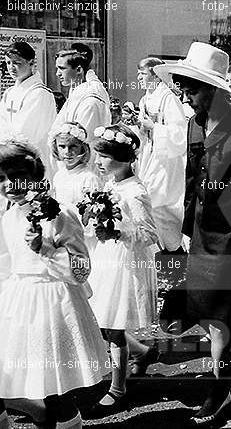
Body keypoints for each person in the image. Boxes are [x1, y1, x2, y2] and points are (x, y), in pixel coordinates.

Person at [153, 42, 231, 426]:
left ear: (214, 87)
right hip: (202, 233)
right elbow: (192, 180)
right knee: (206, 313)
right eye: (183, 88)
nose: (186, 95)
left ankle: (221, 385)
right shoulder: (193, 123)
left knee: (216, 315)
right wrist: (187, 229)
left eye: (192, 88)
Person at [0, 138, 106, 429]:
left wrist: (45, 248)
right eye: (1, 179)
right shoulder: (9, 216)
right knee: (23, 381)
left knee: (56, 391)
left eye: (17, 177)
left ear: (34, 176)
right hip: (19, 305)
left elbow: (81, 270)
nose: (9, 185)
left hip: (53, 306)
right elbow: (6, 265)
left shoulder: (58, 213)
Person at [85, 124, 159, 417]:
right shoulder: (112, 185)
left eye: (105, 156)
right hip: (108, 259)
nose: (99, 162)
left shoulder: (136, 191)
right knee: (101, 320)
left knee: (114, 328)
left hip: (126, 263)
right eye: (98, 155)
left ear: (125, 158)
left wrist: (118, 228)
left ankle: (117, 388)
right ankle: (142, 351)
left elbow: (150, 234)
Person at [135, 57, 188, 253]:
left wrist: (155, 128)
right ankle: (157, 254)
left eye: (143, 73)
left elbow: (180, 134)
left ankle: (173, 253)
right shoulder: (145, 99)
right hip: (149, 156)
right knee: (150, 204)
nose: (138, 77)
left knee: (160, 205)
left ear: (156, 75)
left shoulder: (168, 98)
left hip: (165, 161)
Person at [0, 42, 56, 176]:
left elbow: (26, 132)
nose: (11, 68)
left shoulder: (40, 94)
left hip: (31, 158)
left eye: (17, 63)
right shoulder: (9, 92)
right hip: (7, 155)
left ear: (31, 63)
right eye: (8, 63)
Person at [52, 49, 110, 143]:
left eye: (62, 68)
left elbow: (85, 141)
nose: (57, 73)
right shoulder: (75, 94)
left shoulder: (90, 102)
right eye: (57, 69)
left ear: (78, 69)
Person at [49, 122, 100, 222]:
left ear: (82, 148)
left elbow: (93, 217)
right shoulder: (59, 176)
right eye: (62, 146)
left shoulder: (89, 178)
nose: (67, 152)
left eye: (73, 146)